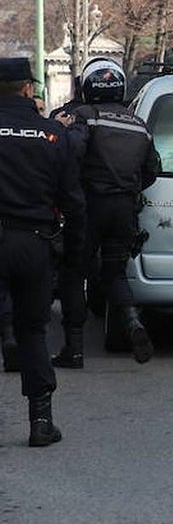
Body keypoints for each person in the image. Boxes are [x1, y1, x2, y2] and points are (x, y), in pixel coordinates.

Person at [0, 56, 85, 446]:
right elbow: (72, 200)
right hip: (33, 241)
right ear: (28, 89)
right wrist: (74, 249)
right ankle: (40, 421)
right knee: (33, 329)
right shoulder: (53, 134)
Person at [54, 58, 161, 366]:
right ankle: (133, 323)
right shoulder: (138, 125)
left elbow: (69, 156)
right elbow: (151, 170)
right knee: (114, 272)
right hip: (124, 209)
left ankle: (73, 349)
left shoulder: (85, 117)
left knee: (73, 273)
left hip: (88, 207)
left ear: (87, 87)